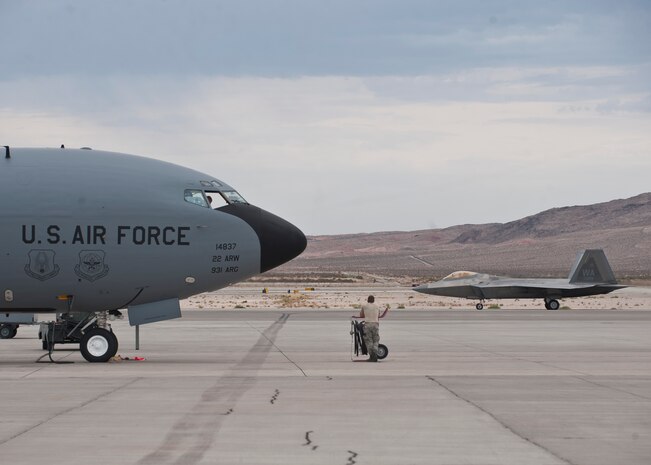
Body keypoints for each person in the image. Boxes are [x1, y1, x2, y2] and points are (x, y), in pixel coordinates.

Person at [353, 295, 389, 362]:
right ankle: (375, 354)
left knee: (368, 341)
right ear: (374, 300)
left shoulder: (364, 306)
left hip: (368, 324)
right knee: (376, 340)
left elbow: (362, 315)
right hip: (375, 324)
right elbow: (378, 315)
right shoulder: (377, 306)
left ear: (367, 300)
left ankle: (372, 356)